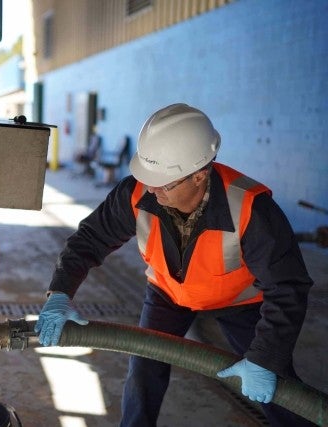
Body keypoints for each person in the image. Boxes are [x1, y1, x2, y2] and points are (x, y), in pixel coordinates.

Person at [35, 103, 316, 426]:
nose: (152, 190)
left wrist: (265, 358)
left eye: (164, 182)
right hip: (168, 294)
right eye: (148, 176)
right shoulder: (138, 193)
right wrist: (60, 293)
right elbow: (89, 240)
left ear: (200, 175)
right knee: (143, 371)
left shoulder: (251, 208)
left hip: (239, 301)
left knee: (275, 383)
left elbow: (288, 286)